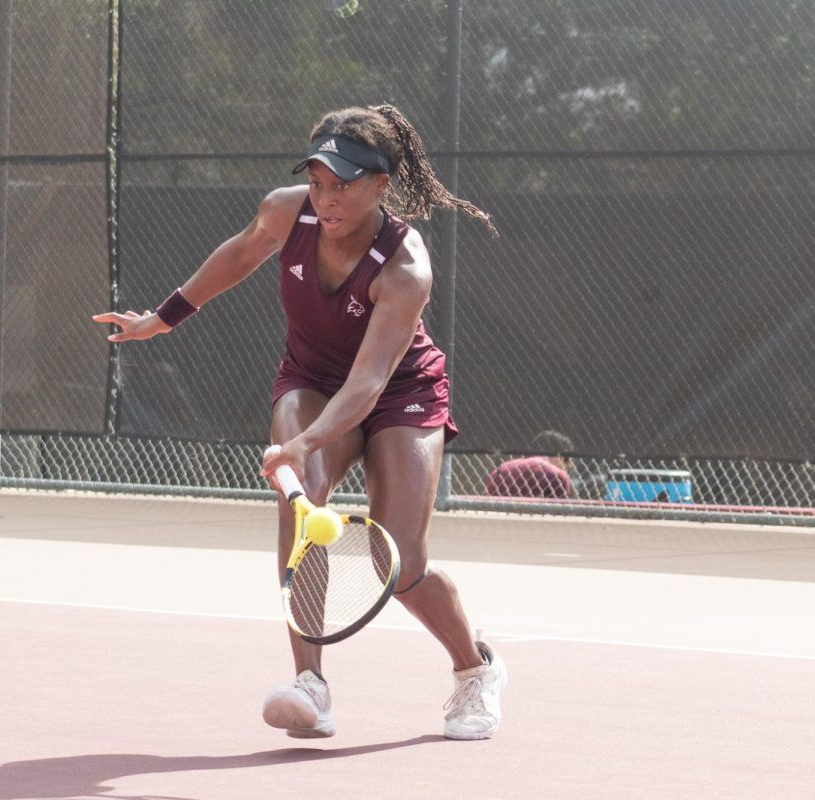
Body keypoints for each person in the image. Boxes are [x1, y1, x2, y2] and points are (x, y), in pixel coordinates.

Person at [92, 104, 506, 740]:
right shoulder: (288, 212)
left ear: (380, 185)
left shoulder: (404, 268)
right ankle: (310, 683)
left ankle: (474, 670)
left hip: (402, 392)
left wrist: (310, 438)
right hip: (310, 378)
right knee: (301, 499)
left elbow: (370, 381)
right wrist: (164, 316)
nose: (326, 197)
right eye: (317, 181)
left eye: (342, 184)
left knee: (399, 561)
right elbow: (241, 252)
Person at [485, 430, 578, 500]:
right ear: (560, 458)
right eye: (568, 460)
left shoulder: (502, 468)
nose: (570, 466)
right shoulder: (557, 475)